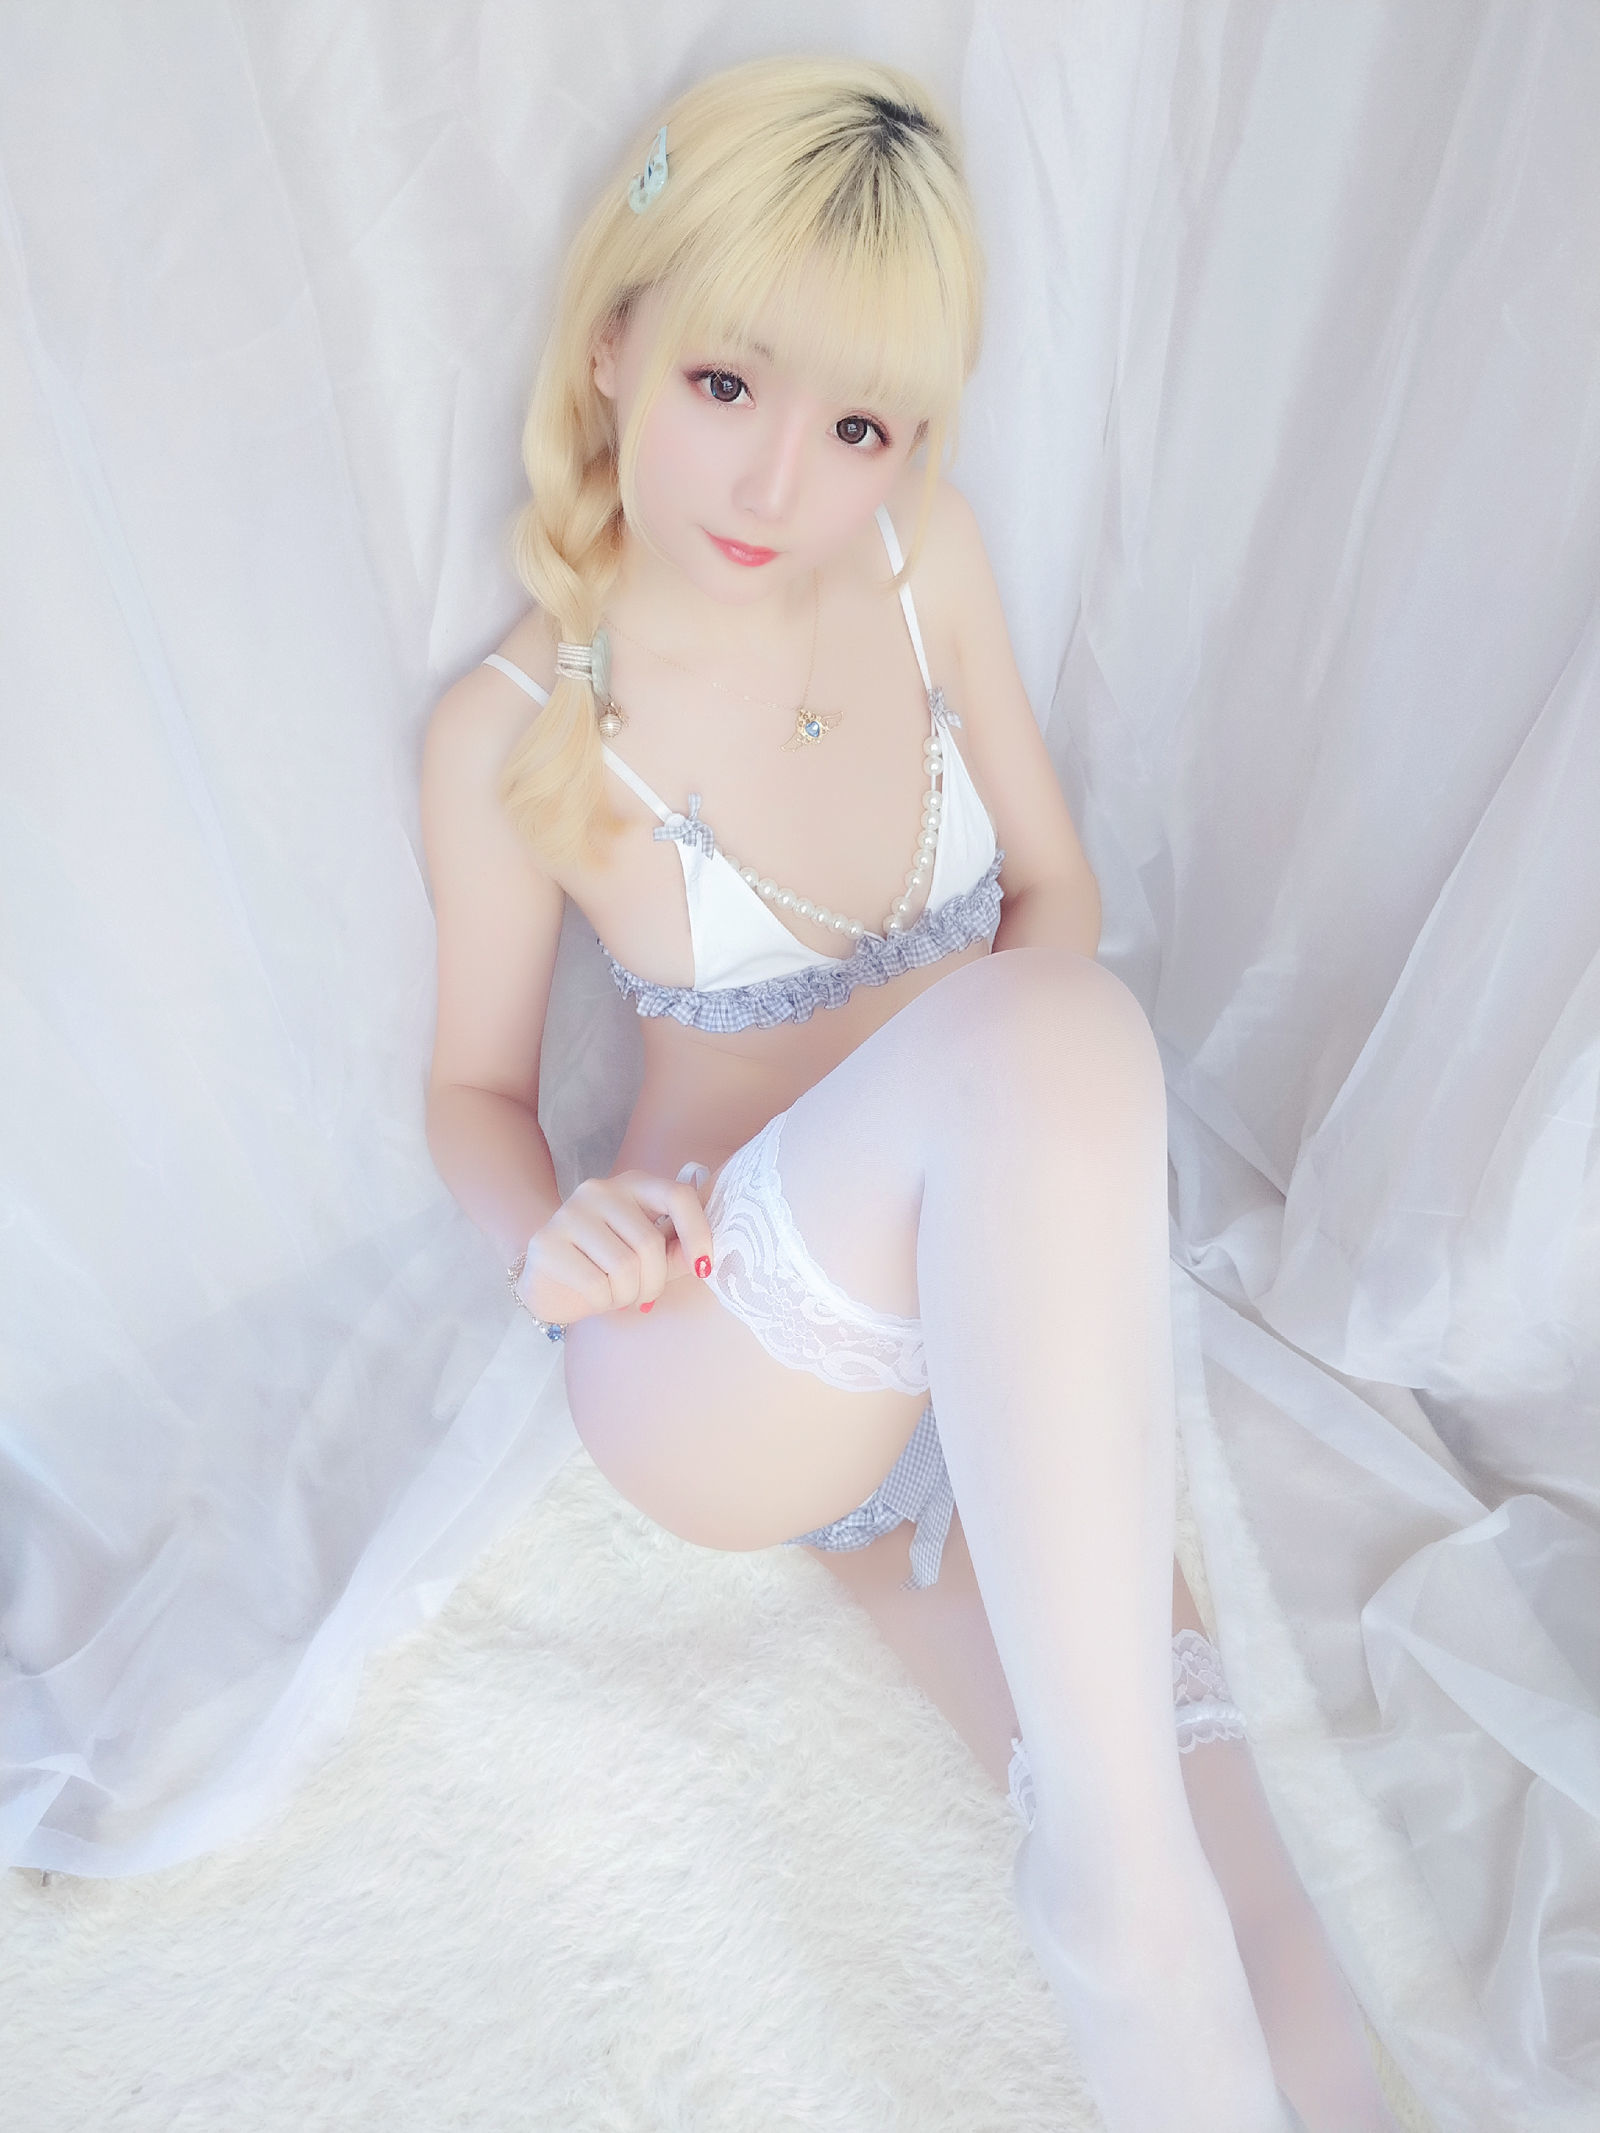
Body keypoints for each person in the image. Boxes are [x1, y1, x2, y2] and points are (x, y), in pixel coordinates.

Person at [420, 53, 1397, 2133]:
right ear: (612, 345)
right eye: (725, 385)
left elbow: (1054, 885)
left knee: (1253, 1903)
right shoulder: (515, 723)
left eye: (857, 425)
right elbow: (471, 1089)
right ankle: (1116, 1904)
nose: (781, 479)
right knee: (1060, 1030)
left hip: (981, 1318)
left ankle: (1138, 1933)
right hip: (724, 1341)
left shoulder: (916, 561)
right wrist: (549, 1231)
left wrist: (1009, 1232)